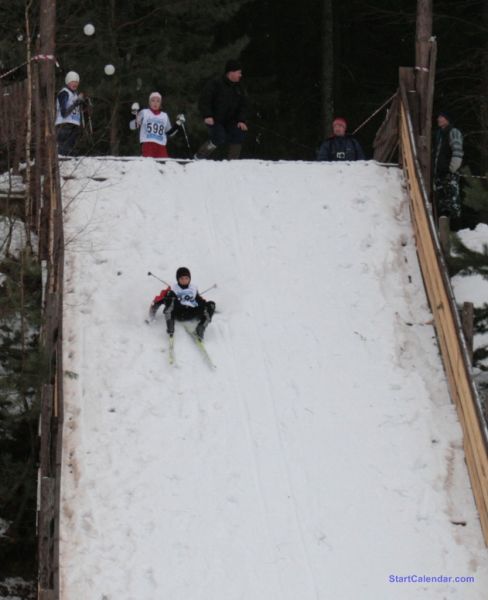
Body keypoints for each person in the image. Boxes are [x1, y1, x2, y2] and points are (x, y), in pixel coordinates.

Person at [195, 59, 248, 160]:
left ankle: (233, 161)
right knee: (218, 137)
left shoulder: (239, 88)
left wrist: (241, 120)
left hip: (230, 121)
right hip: (214, 119)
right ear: (231, 72)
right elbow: (204, 100)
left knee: (238, 133)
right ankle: (200, 156)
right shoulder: (215, 84)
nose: (240, 75)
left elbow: (243, 105)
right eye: (239, 72)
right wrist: (207, 115)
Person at [149, 267, 216, 340]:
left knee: (211, 304)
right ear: (178, 279)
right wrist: (151, 315)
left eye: (186, 278)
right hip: (178, 312)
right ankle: (170, 327)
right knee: (170, 298)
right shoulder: (172, 289)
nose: (184, 280)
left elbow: (201, 301)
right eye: (181, 278)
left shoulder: (193, 289)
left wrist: (209, 309)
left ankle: (200, 328)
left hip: (191, 312)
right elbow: (158, 300)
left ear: (189, 279)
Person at [131, 92, 184, 158]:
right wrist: (134, 113)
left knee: (163, 166)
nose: (155, 103)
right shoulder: (144, 112)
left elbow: (170, 133)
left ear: (160, 103)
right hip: (147, 144)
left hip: (161, 146)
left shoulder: (164, 116)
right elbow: (133, 126)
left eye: (158, 101)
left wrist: (178, 124)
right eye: (153, 100)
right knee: (149, 165)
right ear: (149, 103)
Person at [432, 112, 464, 219]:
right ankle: (443, 230)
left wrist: (452, 168)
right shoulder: (439, 134)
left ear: (447, 119)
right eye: (438, 117)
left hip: (449, 174)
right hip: (440, 174)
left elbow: (457, 151)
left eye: (441, 117)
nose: (438, 119)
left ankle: (454, 231)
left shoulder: (453, 132)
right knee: (442, 204)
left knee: (452, 203)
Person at [55, 71, 87, 155]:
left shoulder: (75, 94)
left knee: (70, 150)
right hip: (64, 125)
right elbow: (64, 113)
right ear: (68, 82)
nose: (75, 84)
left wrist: (83, 103)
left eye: (77, 82)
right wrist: (76, 102)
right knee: (64, 150)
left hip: (73, 125)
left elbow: (78, 110)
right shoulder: (64, 93)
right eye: (72, 81)